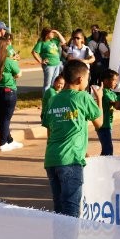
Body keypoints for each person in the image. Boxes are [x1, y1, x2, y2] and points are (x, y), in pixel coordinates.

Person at [44, 60, 102, 216]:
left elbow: (50, 132)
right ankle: (70, 234)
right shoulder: (83, 97)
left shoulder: (52, 99)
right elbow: (99, 123)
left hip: (52, 159)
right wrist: (100, 99)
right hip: (71, 160)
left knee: (59, 209)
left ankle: (59, 234)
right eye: (88, 78)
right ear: (80, 79)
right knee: (71, 210)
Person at [0, 34, 24, 152]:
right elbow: (18, 73)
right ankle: (2, 142)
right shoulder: (8, 61)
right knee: (6, 118)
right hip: (8, 91)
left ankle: (9, 140)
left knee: (2, 117)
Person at [96, 68, 118, 156]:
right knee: (108, 150)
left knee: (107, 149)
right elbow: (114, 103)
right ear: (105, 81)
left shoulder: (112, 93)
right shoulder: (104, 92)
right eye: (114, 80)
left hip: (108, 125)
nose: (116, 82)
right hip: (103, 126)